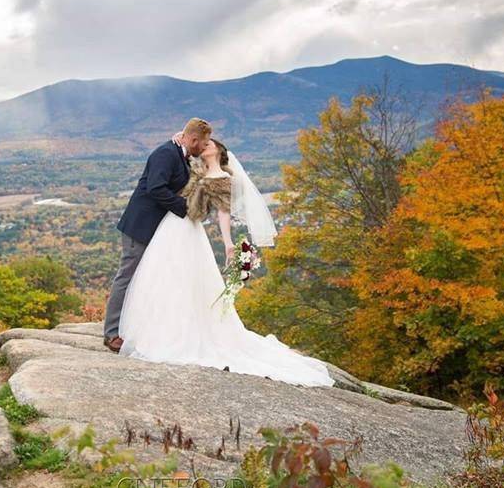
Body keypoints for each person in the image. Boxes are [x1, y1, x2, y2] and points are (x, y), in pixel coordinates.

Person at [116, 136, 335, 387]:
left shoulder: (222, 177)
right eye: (204, 142)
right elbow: (185, 146)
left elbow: (223, 212)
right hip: (169, 225)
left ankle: (179, 335)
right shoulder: (193, 164)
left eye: (211, 144)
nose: (206, 145)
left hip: (188, 229)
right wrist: (178, 137)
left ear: (220, 152)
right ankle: (155, 330)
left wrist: (228, 243)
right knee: (163, 277)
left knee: (186, 280)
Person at [102, 118, 213, 352]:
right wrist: (185, 207)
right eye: (202, 144)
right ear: (192, 140)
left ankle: (135, 327)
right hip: (140, 226)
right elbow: (156, 188)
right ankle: (111, 333)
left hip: (156, 229)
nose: (203, 149)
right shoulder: (166, 153)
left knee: (147, 278)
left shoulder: (179, 151)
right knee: (127, 277)